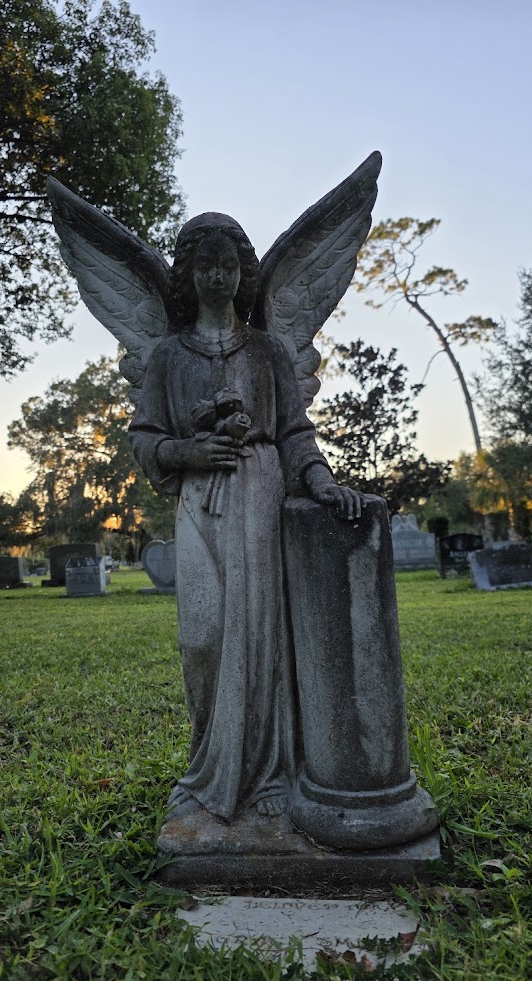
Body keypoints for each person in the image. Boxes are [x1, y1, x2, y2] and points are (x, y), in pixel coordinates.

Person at [129, 213, 362, 822]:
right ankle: (209, 763)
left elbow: (295, 433)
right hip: (199, 503)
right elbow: (145, 438)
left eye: (228, 266)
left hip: (260, 494)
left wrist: (321, 480)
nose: (217, 277)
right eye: (205, 266)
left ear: (243, 274)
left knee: (262, 639)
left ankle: (268, 777)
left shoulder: (267, 352)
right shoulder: (166, 358)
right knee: (201, 637)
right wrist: (186, 451)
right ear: (187, 275)